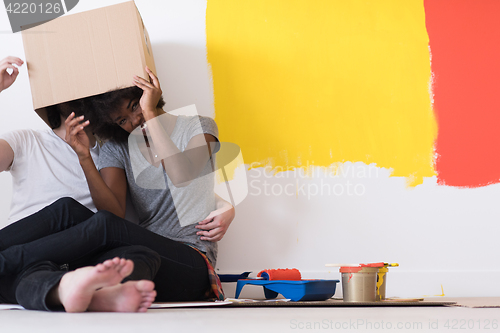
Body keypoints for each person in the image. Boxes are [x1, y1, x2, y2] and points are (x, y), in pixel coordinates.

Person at [0, 56, 158, 312]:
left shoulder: (111, 153)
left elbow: (114, 215)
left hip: (79, 252)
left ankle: (85, 289)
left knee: (142, 254)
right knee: (28, 272)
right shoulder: (26, 140)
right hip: (27, 252)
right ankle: (75, 290)